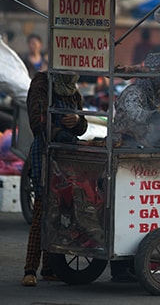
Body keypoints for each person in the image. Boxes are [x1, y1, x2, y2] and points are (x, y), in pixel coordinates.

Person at [22, 72, 88, 286]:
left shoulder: (74, 93)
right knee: (42, 212)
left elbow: (83, 125)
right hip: (45, 152)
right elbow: (37, 120)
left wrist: (77, 122)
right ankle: (30, 269)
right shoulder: (42, 83)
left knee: (62, 211)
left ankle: (49, 268)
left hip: (66, 155)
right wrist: (58, 130)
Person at [113, 52, 160, 148]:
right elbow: (132, 112)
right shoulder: (133, 92)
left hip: (147, 145)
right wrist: (151, 116)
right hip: (124, 144)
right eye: (159, 75)